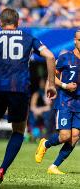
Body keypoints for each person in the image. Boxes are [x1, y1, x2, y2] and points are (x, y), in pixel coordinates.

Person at [0, 8, 57, 187]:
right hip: (20, 87)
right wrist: (51, 83)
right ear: (18, 23)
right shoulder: (29, 37)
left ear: (0, 22)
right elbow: (50, 56)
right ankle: (1, 170)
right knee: (18, 130)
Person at [35, 30, 80, 174]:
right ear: (75, 40)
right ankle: (45, 143)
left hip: (79, 104)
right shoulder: (65, 58)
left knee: (75, 136)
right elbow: (51, 76)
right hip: (65, 102)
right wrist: (65, 86)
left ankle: (53, 166)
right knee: (65, 136)